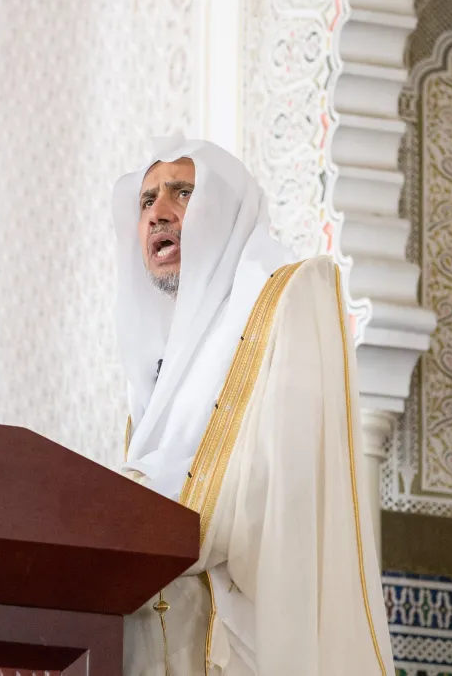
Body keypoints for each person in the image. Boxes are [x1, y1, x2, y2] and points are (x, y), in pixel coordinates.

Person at [116, 136, 395, 676]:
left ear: (225, 211)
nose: (159, 214)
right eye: (147, 201)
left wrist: (135, 509)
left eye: (182, 194)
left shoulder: (286, 301)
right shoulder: (155, 368)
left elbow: (283, 488)